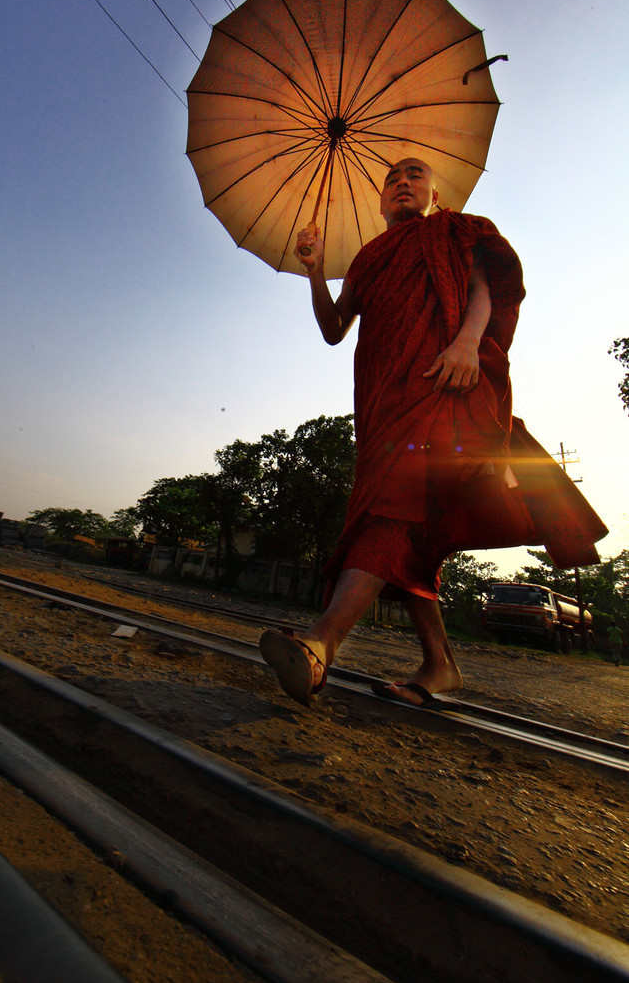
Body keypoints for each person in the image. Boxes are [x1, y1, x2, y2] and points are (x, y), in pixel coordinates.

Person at [260, 158, 607, 707]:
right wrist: (314, 268)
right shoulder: (369, 257)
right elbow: (333, 330)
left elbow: (481, 291)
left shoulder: (451, 232)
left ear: (435, 193)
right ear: (379, 201)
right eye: (392, 179)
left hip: (440, 383)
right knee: (408, 525)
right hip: (380, 402)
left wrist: (469, 344)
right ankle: (440, 664)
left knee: (391, 510)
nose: (402, 182)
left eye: (414, 175)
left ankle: (321, 644)